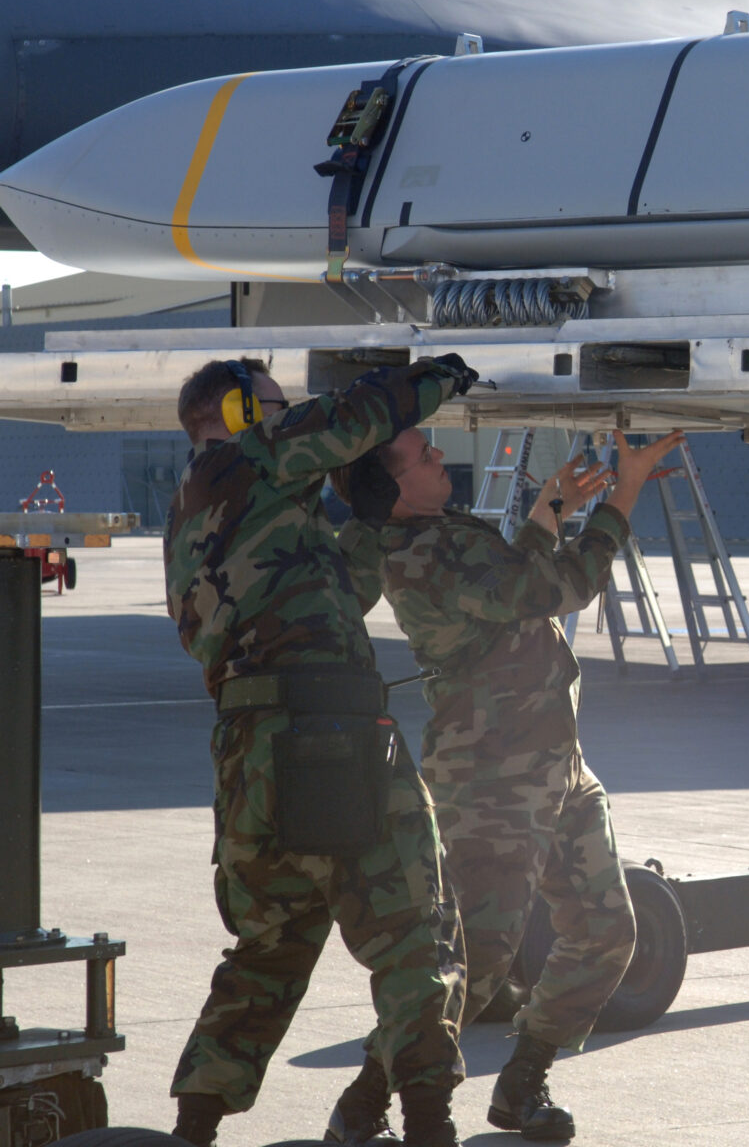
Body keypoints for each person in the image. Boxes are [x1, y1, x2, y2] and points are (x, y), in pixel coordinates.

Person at [330, 427, 685, 1143]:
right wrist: (625, 492)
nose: (439, 458)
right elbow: (554, 588)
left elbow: (516, 575)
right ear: (391, 488)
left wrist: (551, 506)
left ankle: (522, 1083)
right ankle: (367, 1100)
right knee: (473, 962)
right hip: (491, 780)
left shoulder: (443, 529)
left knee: (606, 930)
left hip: (554, 764)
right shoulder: (423, 554)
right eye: (423, 457)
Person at [163, 354, 479, 1147]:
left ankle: (191, 1129)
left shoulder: (197, 515)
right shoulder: (255, 455)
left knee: (268, 949)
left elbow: (330, 592)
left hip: (247, 759)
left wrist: (372, 523)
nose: (283, 414)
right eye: (270, 404)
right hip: (328, 740)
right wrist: (443, 371)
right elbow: (357, 415)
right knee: (414, 931)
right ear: (234, 411)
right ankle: (428, 1125)